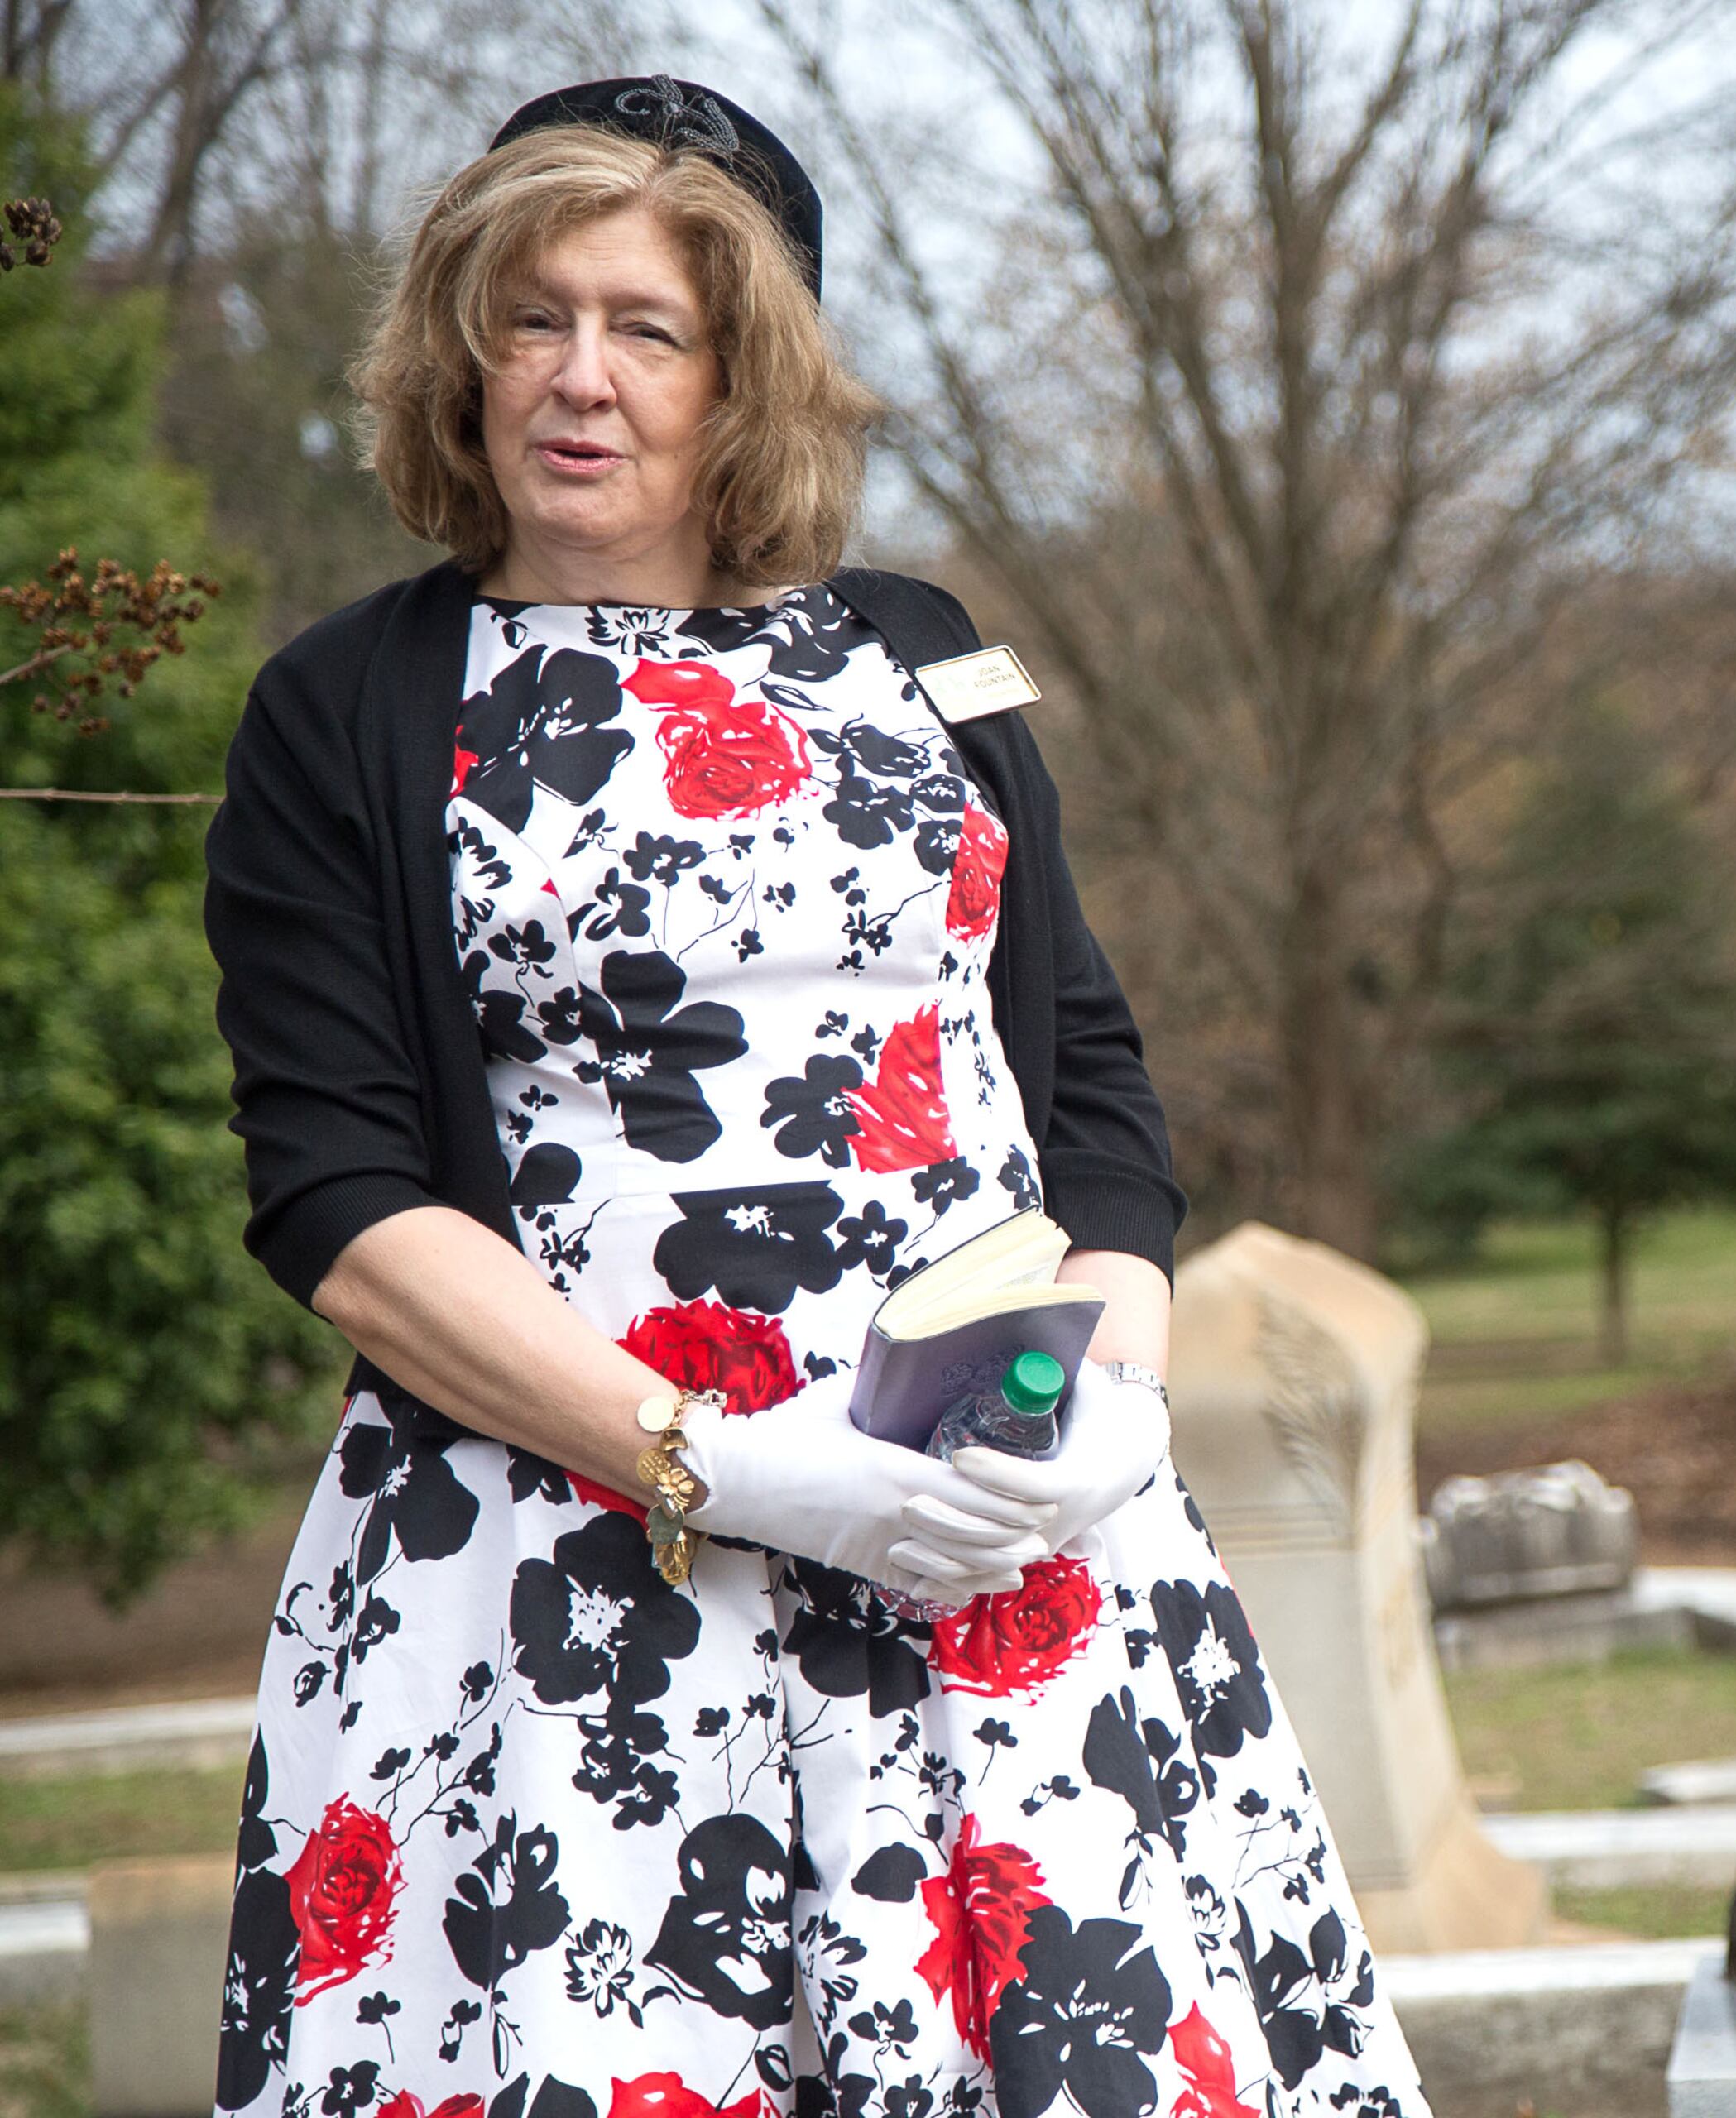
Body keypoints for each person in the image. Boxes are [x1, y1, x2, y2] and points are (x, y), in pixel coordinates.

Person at [200, 78, 1427, 2116]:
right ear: (458, 351)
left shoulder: (921, 653)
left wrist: (1094, 1396)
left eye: (646, 329)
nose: (577, 380)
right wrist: (727, 1467)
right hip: (564, 1566)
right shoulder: (346, 705)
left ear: (746, 374)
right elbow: (336, 1193)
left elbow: (1084, 1075)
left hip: (994, 1547)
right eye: (529, 319)